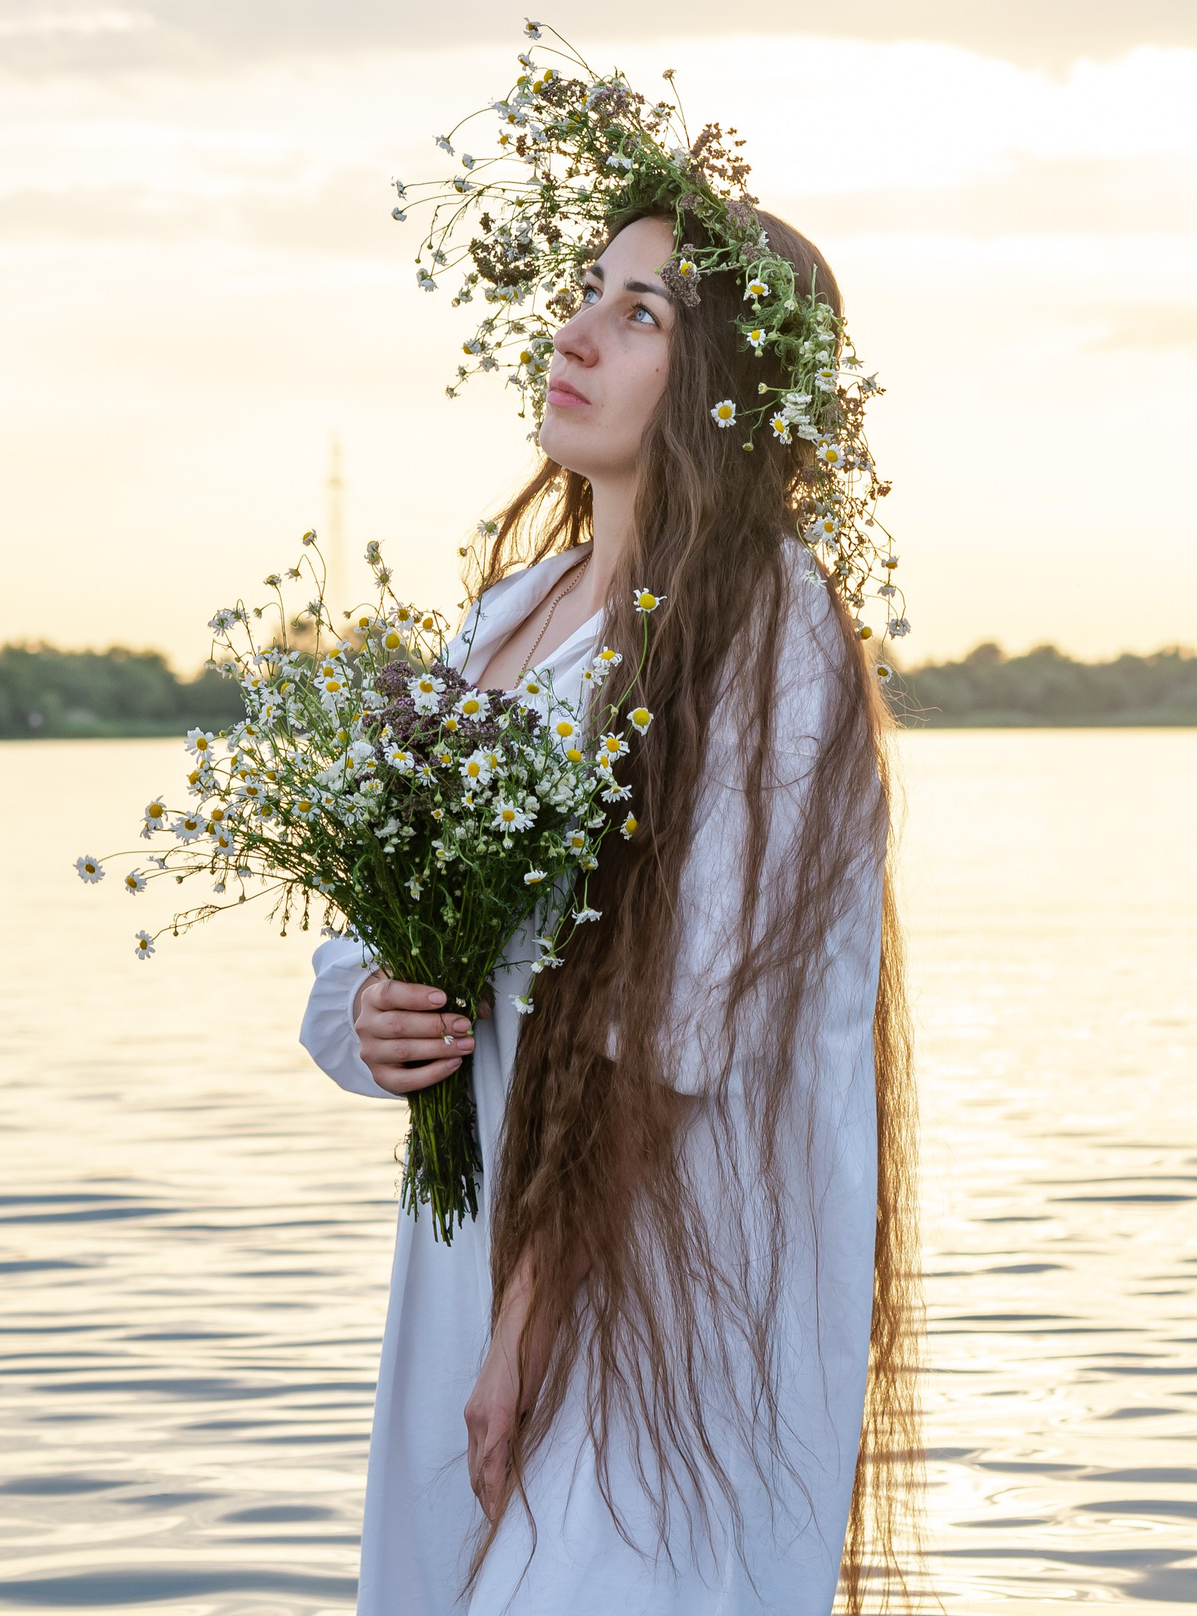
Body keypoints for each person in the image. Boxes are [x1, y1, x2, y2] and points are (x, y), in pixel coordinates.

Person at [297, 194, 924, 1613]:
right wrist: (369, 1013)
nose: (575, 332)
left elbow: (680, 1026)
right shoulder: (506, 615)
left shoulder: (768, 623)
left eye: (640, 314)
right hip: (473, 1247)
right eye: (588, 291)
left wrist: (534, 1321)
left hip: (656, 1270)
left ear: (718, 386)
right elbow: (373, 939)